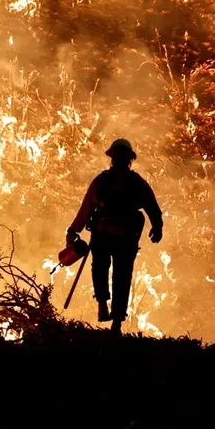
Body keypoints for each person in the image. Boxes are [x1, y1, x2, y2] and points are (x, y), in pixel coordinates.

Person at [66, 138, 163, 334]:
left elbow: (85, 210)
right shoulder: (137, 183)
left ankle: (103, 305)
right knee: (122, 276)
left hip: (103, 235)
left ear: (113, 159)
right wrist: (157, 227)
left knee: (100, 269)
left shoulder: (101, 181)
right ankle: (117, 322)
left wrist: (73, 230)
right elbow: (152, 208)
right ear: (130, 160)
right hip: (126, 238)